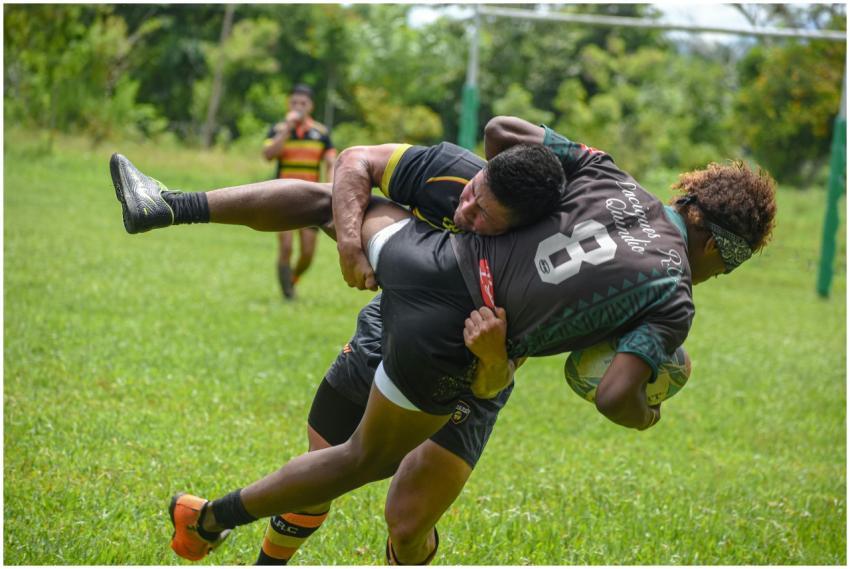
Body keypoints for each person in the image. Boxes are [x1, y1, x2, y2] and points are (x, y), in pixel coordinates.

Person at [110, 117, 776, 563]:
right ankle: (210, 519)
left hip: (426, 259)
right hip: (447, 341)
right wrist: (648, 408)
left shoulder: (605, 175)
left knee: (331, 201)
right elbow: (613, 395)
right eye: (730, 263)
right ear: (717, 244)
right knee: (360, 458)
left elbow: (501, 131)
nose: (719, 273)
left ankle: (167, 204)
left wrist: (524, 180)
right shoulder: (673, 298)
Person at [111, 139, 564, 564]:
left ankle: (209, 519)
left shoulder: (537, 274)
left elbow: (492, 383)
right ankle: (167, 205)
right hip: (392, 324)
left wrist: (488, 356)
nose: (465, 210)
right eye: (472, 193)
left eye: (483, 214)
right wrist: (350, 245)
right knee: (319, 468)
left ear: (517, 230)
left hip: (466, 375)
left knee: (407, 525)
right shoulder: (452, 172)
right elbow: (355, 160)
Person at [263, 83, 335, 299]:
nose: (298, 107)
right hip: (282, 197)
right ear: (289, 104)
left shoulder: (321, 133)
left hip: (312, 198)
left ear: (310, 106)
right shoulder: (278, 130)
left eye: (302, 103)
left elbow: (331, 161)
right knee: (285, 247)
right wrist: (286, 129)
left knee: (307, 253)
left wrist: (331, 187)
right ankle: (287, 295)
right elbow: (268, 155)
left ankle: (292, 279)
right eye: (294, 102)